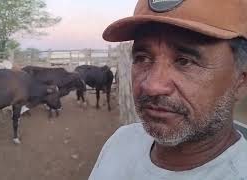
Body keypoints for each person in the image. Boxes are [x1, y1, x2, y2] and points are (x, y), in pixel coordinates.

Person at [89, 0, 247, 179]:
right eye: (142, 58)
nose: (152, 86)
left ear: (241, 82)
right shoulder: (121, 141)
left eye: (184, 61)